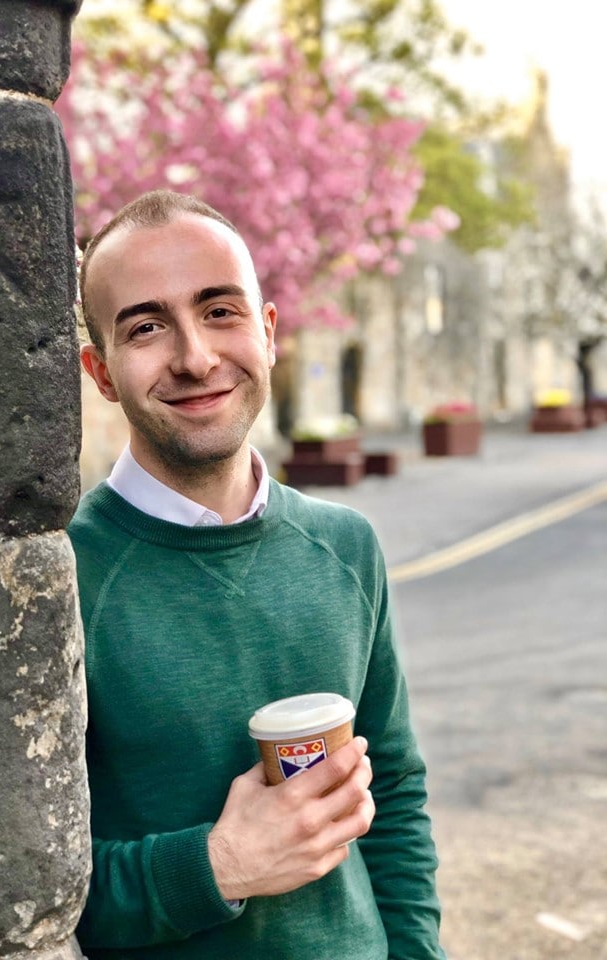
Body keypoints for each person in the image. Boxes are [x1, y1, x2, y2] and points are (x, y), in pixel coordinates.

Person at [68, 189, 445, 960]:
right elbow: (28, 894)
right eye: (146, 327)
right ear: (101, 372)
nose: (195, 357)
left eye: (220, 311)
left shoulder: (347, 545)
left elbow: (396, 795)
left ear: (268, 333)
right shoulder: (60, 580)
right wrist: (218, 866)